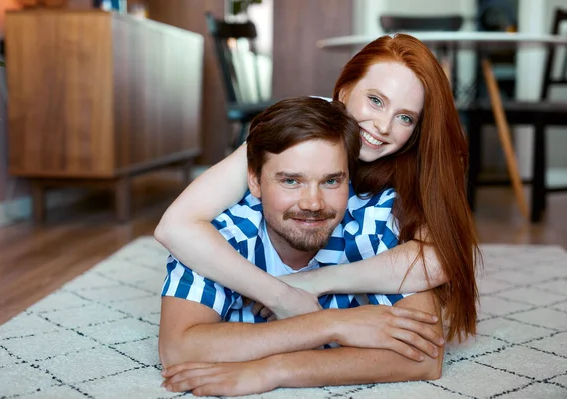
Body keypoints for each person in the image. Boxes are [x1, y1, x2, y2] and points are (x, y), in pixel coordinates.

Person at [155, 34, 480, 341]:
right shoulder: (303, 127)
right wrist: (280, 294)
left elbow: (441, 258)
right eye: (376, 101)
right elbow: (175, 226)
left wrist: (314, 281)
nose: (383, 126)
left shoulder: (414, 160)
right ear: (343, 92)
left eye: (405, 118)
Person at [159, 96, 445, 396]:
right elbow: (178, 349)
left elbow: (424, 356)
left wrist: (276, 369)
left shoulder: (374, 224)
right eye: (291, 181)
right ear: (255, 181)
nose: (313, 203)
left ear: (349, 178)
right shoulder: (216, 237)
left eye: (331, 181)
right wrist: (330, 325)